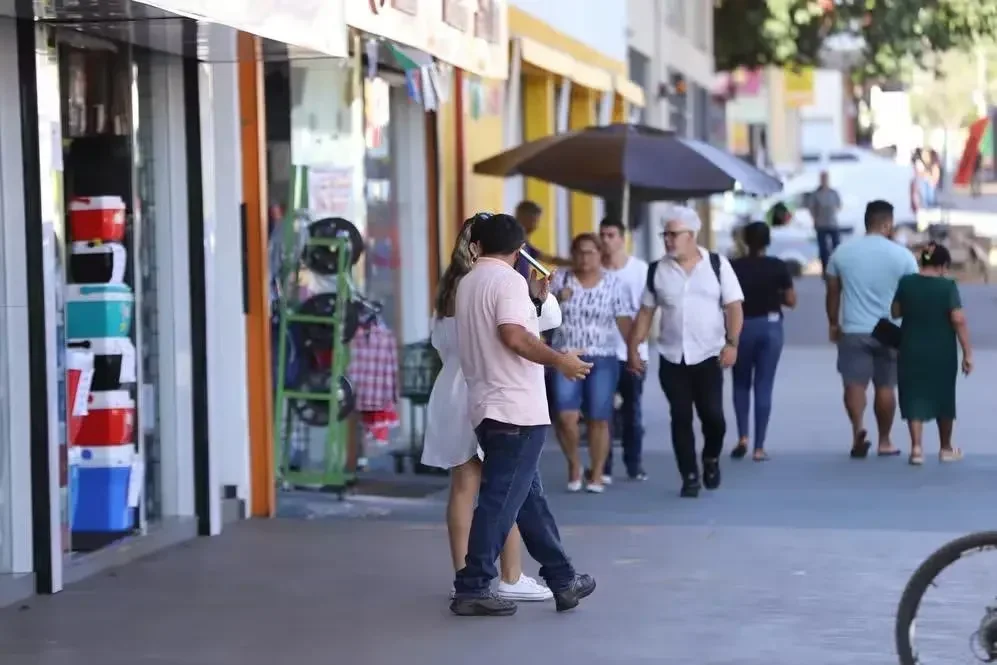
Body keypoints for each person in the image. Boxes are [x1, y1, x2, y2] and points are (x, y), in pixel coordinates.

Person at [451, 212, 596, 617]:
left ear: (477, 246)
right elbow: (513, 336)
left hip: (489, 405)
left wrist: (533, 300)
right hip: (516, 409)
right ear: (519, 250)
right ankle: (473, 586)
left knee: (528, 502)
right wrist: (560, 360)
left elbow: (503, 328)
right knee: (500, 502)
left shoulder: (469, 282)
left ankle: (563, 579)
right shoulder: (508, 281)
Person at [423, 214, 561, 603]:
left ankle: (464, 576)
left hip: (453, 389)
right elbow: (528, 331)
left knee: (465, 487)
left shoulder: (455, 286)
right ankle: (510, 576)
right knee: (505, 487)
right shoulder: (504, 282)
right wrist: (537, 299)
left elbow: (440, 342)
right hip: (494, 388)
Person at [626, 206, 745, 498]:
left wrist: (732, 343)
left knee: (713, 417)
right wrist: (633, 347)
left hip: (709, 355)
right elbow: (646, 312)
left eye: (673, 234)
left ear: (691, 235)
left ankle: (711, 458)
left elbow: (733, 307)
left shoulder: (717, 264)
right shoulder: (657, 270)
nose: (668, 240)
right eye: (665, 234)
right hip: (672, 357)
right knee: (680, 416)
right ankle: (689, 476)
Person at [825, 199, 918, 459]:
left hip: (854, 328)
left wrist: (833, 323)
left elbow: (832, 292)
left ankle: (858, 429)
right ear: (887, 224)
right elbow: (912, 296)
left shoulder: (842, 253)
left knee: (853, 384)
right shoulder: (903, 256)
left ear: (867, 222)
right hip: (890, 330)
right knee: (885, 386)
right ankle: (885, 441)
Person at [550, 233, 635, 493]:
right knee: (565, 416)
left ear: (600, 255)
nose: (584, 258)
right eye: (579, 252)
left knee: (599, 417)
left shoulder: (614, 284)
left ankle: (597, 472)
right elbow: (538, 313)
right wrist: (556, 299)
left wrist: (633, 352)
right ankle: (574, 464)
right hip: (565, 356)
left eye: (590, 252)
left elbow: (624, 321)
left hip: (603, 357)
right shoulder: (560, 279)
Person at [891, 243, 973, 465]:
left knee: (913, 395)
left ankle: (916, 449)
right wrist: (967, 353)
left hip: (910, 348)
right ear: (944, 265)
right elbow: (958, 319)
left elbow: (895, 312)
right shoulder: (948, 286)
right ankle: (945, 448)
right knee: (943, 396)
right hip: (941, 351)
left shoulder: (906, 283)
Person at [729, 222, 796, 462]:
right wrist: (775, 296)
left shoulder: (733, 267)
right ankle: (759, 447)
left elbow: (725, 300)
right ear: (768, 241)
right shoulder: (777, 266)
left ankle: (742, 437)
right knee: (764, 385)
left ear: (745, 241)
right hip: (770, 327)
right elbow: (791, 300)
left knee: (740, 383)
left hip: (741, 327)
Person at [599, 217, 649, 482]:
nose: (606, 240)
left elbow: (647, 311)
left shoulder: (639, 270)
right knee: (601, 412)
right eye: (602, 235)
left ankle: (634, 464)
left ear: (622, 238)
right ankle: (603, 466)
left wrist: (637, 346)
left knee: (633, 412)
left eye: (611, 235)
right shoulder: (595, 270)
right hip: (602, 351)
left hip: (633, 351)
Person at [513, 200, 571, 279]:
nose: (536, 226)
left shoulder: (525, 245)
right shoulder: (512, 241)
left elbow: (549, 259)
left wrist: (576, 262)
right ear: (524, 217)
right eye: (535, 221)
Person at [807, 170, 842, 277]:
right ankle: (825, 270)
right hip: (821, 224)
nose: (824, 180)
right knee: (823, 249)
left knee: (836, 247)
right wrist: (815, 219)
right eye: (823, 178)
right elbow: (811, 208)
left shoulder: (833, 193)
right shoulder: (816, 194)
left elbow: (839, 205)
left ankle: (837, 269)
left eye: (826, 178)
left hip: (833, 223)